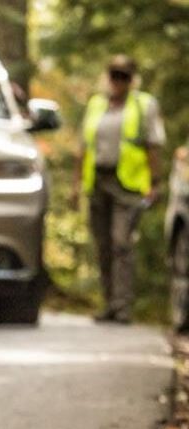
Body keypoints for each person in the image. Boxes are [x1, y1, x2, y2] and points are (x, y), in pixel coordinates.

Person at [72, 55, 165, 324]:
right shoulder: (96, 105)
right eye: (114, 74)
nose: (118, 81)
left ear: (132, 79)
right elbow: (83, 147)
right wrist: (76, 185)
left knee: (121, 243)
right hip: (97, 182)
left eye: (124, 76)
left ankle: (123, 306)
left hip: (128, 185)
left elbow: (153, 145)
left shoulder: (143, 105)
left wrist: (154, 183)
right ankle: (109, 303)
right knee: (102, 245)